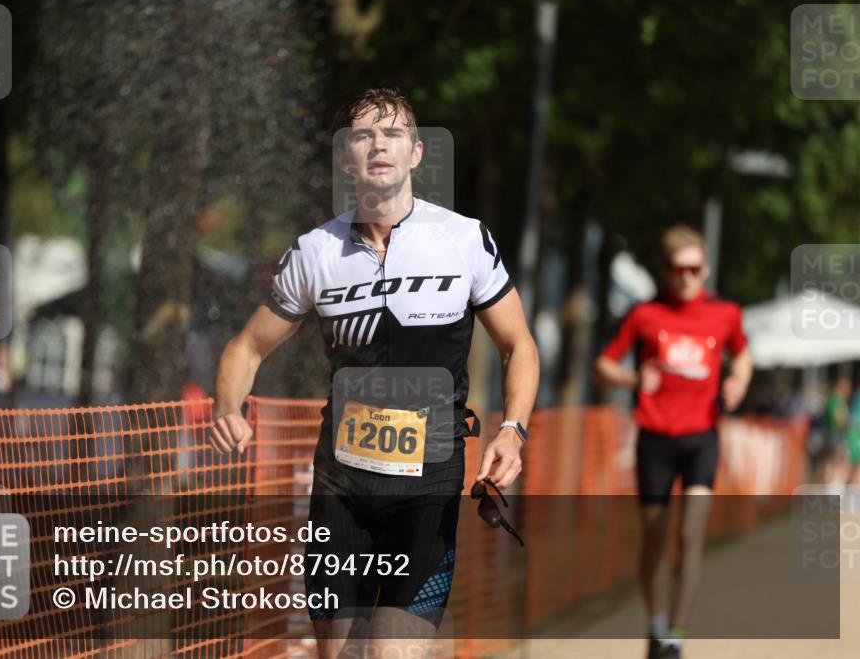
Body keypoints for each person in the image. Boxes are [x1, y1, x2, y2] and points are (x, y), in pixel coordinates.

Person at [210, 86, 539, 658]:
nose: (379, 145)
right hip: (342, 488)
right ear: (345, 157)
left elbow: (519, 345)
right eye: (363, 135)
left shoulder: (463, 239)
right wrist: (226, 407)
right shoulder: (315, 252)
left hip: (428, 486)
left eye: (393, 134)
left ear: (416, 152)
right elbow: (246, 348)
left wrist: (513, 429)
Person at [594, 225, 752, 659]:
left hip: (702, 437)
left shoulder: (725, 313)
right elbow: (602, 365)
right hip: (656, 438)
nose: (687, 278)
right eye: (678, 269)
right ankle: (657, 623)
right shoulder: (645, 314)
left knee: (690, 532)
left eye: (695, 269)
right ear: (664, 270)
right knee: (655, 538)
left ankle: (676, 636)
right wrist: (633, 379)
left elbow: (742, 355)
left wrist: (738, 382)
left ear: (706, 269)